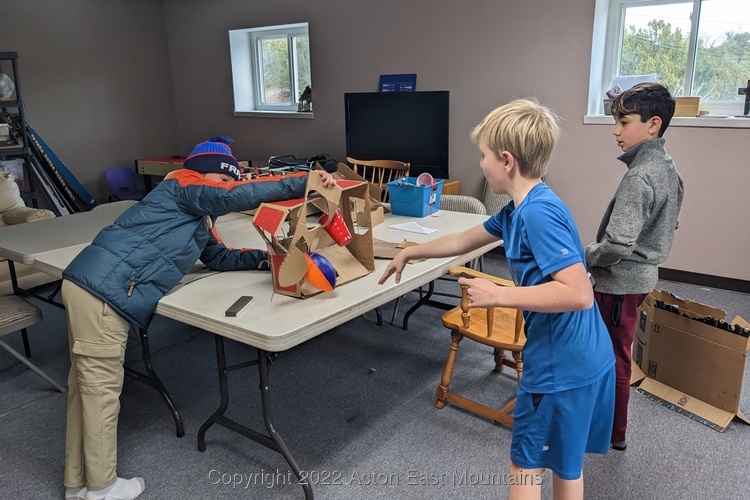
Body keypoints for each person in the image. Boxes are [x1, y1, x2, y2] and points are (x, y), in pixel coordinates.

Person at [61, 136, 335, 500]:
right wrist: (306, 181)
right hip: (103, 293)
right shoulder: (182, 185)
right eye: (225, 180)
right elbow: (230, 197)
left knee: (84, 392)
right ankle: (102, 488)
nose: (224, 189)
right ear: (205, 175)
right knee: (100, 394)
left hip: (91, 285)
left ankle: (77, 483)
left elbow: (218, 257)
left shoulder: (195, 214)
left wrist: (267, 259)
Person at [379, 99, 615, 500]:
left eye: (483, 155)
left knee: (525, 466)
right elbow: (459, 240)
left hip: (560, 364)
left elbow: (577, 293)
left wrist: (500, 295)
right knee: (564, 463)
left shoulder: (538, 214)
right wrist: (408, 251)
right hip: (585, 356)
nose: (480, 164)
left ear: (507, 160)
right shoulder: (517, 210)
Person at [586, 82, 684, 451]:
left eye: (623, 121)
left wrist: (587, 254)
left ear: (653, 124)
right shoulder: (667, 167)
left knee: (614, 357)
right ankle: (609, 422)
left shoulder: (640, 176)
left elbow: (618, 244)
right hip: (642, 278)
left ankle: (615, 432)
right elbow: (671, 221)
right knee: (617, 351)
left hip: (620, 282)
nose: (615, 131)